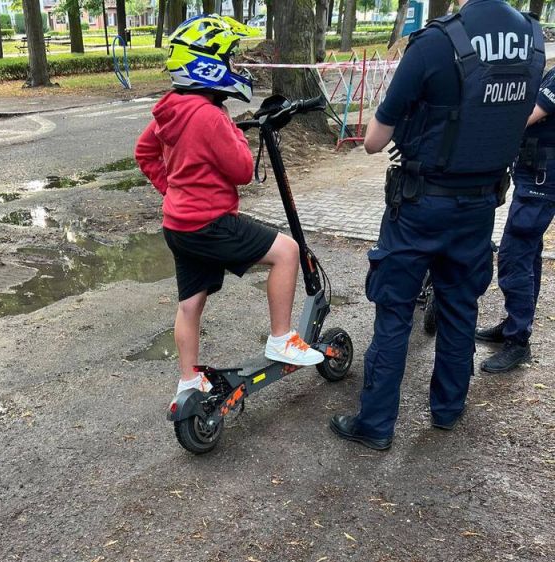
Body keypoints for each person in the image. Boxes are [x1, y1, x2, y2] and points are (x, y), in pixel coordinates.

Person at [330, 0, 545, 451]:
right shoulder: (532, 39)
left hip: (420, 206)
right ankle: (448, 408)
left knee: (394, 311)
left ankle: (375, 424)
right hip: (481, 204)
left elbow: (374, 142)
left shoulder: (435, 42)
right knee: (460, 306)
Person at [134, 14, 323, 402]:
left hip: (179, 226)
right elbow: (240, 171)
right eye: (229, 59)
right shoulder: (210, 116)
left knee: (190, 304)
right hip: (210, 223)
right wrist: (233, 130)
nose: (234, 66)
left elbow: (145, 151)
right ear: (207, 65)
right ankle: (281, 338)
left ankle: (189, 381)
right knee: (287, 252)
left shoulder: (170, 108)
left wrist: (172, 191)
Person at [476, 65, 555, 372]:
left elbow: (527, 116)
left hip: (541, 183)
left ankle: (518, 341)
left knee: (514, 255)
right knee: (528, 255)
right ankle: (515, 325)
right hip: (534, 178)